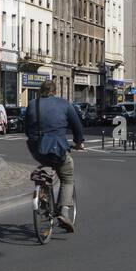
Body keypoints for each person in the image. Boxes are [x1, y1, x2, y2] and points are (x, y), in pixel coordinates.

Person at [24, 80, 85, 233]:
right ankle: (63, 212)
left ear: (40, 91)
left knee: (45, 167)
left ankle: (43, 198)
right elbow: (77, 126)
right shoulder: (64, 104)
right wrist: (79, 143)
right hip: (58, 148)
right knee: (67, 177)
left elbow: (26, 128)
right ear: (55, 91)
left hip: (38, 149)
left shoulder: (32, 104)